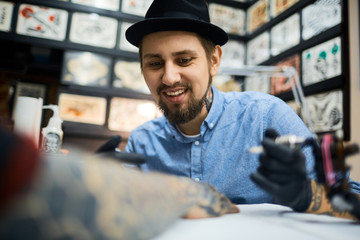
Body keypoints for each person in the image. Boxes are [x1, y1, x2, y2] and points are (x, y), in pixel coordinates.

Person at [125, 0, 360, 219]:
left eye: (184, 60)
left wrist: (309, 196)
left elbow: (354, 198)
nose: (169, 77)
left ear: (214, 60)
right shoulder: (142, 143)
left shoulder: (266, 117)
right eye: (155, 64)